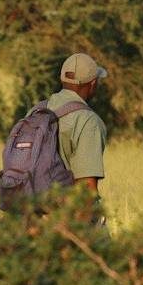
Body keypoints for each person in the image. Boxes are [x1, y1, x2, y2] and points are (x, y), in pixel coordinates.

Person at [47, 53, 109, 213]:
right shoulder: (88, 120)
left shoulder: (36, 111)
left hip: (27, 214)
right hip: (64, 216)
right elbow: (87, 189)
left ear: (62, 79)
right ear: (93, 83)